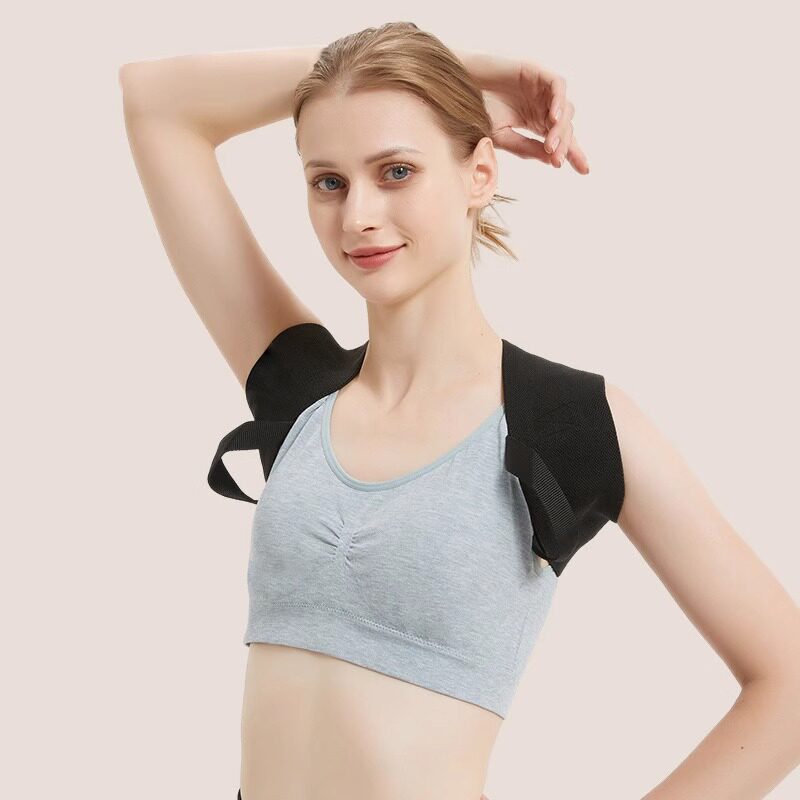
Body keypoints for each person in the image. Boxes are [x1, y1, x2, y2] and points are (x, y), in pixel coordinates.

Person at [120, 22, 800, 800]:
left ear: (479, 172)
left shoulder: (568, 421)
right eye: (328, 181)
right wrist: (441, 66)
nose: (357, 215)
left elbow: (789, 681)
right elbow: (156, 103)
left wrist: (424, 72)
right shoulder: (301, 391)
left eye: (397, 171)